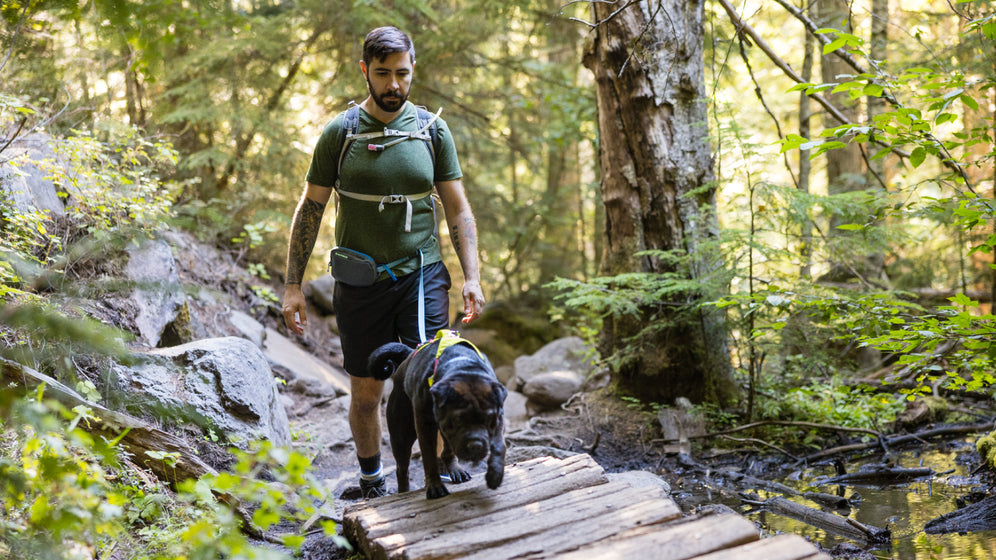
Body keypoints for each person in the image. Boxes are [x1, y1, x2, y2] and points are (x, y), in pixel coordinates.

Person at [281, 26, 485, 499]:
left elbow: (458, 209)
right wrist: (293, 284)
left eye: (402, 74)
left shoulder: (432, 131)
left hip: (422, 276)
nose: (394, 85)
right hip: (360, 281)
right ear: (365, 72)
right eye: (383, 74)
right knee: (367, 390)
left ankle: (435, 466)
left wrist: (471, 276)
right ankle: (372, 477)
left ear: (413, 70)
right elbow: (310, 208)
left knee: (435, 378)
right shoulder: (341, 132)